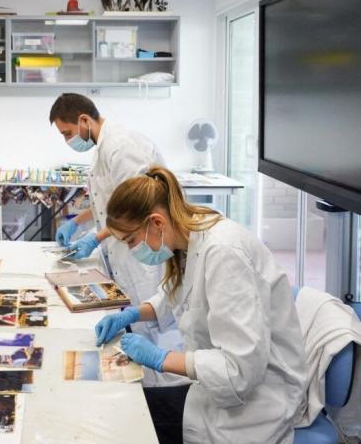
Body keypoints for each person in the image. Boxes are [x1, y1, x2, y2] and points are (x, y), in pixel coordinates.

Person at [95, 166, 305, 443]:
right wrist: (133, 313)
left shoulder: (223, 253)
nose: (132, 250)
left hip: (256, 405)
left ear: (156, 222)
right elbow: (176, 294)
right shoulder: (188, 237)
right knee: (125, 408)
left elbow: (239, 369)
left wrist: (160, 359)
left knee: (127, 425)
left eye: (131, 240)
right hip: (215, 389)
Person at [50, 92, 184, 386]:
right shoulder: (101, 148)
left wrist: (95, 238)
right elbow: (107, 201)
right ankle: (145, 382)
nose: (68, 141)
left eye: (68, 133)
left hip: (141, 249)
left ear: (84, 120)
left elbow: (136, 208)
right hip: (124, 249)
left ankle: (158, 389)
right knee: (134, 320)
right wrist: (76, 221)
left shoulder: (122, 147)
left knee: (152, 326)